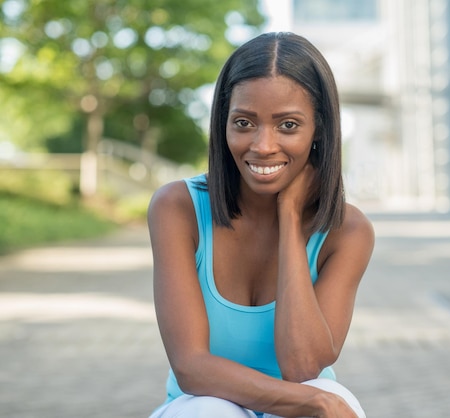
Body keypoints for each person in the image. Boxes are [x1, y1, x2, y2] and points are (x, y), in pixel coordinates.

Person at [147, 31, 375, 418]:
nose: (263, 145)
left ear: (319, 128)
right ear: (223, 124)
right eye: (244, 122)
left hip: (297, 405)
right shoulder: (177, 208)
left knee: (321, 389)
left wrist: (289, 216)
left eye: (287, 125)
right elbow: (191, 366)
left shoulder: (347, 231)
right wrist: (316, 402)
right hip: (202, 407)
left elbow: (302, 367)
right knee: (208, 412)